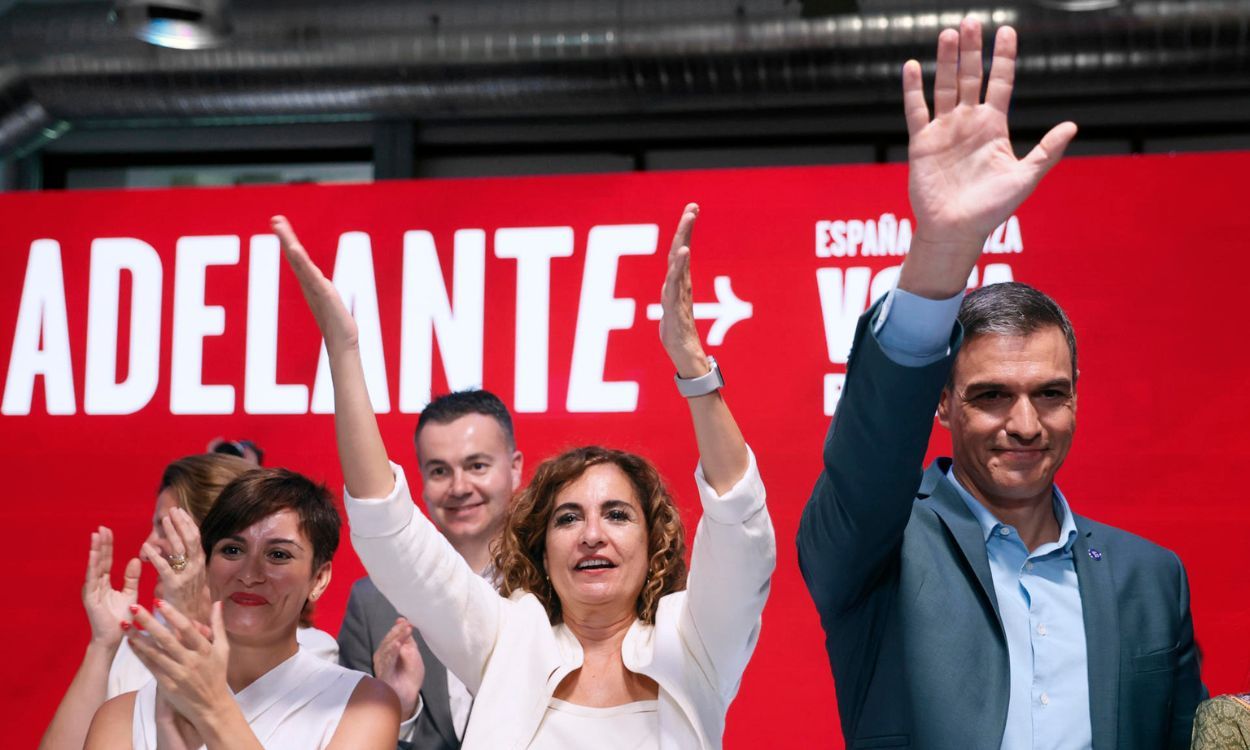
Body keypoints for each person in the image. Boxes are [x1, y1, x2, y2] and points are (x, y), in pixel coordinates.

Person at [796, 16, 1204, 750]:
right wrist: (944, 249)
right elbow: (867, 461)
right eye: (991, 396)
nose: (1025, 423)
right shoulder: (878, 546)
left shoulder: (1152, 580)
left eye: (1050, 393)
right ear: (943, 402)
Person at [275, 200, 774, 749]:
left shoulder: (695, 641)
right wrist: (343, 350)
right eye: (568, 517)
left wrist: (692, 364)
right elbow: (388, 526)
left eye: (616, 514)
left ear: (653, 542)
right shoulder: (507, 639)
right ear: (541, 546)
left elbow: (738, 522)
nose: (591, 534)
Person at [83, 468, 401, 749]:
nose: (249, 575)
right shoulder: (125, 715)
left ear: (318, 578)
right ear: (205, 564)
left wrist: (215, 709)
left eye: (278, 555)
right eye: (232, 550)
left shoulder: (362, 705)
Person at [40, 454, 339, 750]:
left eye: (164, 527)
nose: (146, 548)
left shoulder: (309, 652)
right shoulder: (142, 644)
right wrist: (103, 646)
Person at [337, 389, 523, 750]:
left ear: (514, 468)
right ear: (420, 479)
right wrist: (399, 712)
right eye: (439, 471)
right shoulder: (371, 605)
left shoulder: (559, 588)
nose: (459, 487)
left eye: (477, 466)